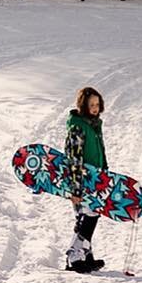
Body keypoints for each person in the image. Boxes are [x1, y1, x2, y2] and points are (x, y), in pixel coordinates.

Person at [62, 85, 107, 273]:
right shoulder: (78, 126)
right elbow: (73, 157)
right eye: (91, 105)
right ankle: (74, 256)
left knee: (90, 215)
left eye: (97, 104)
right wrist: (75, 188)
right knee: (87, 216)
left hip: (95, 178)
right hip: (81, 179)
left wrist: (104, 172)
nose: (95, 108)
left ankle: (85, 255)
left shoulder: (93, 125)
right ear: (83, 105)